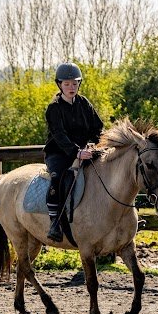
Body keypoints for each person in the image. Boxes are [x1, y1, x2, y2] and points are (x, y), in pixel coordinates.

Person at [43, 62, 104, 242]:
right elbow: (59, 135)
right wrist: (76, 152)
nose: (71, 87)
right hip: (59, 153)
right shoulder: (54, 108)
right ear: (59, 85)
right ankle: (55, 223)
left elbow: (98, 127)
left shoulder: (84, 103)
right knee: (57, 178)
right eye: (67, 84)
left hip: (84, 151)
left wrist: (97, 144)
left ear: (79, 84)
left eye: (75, 83)